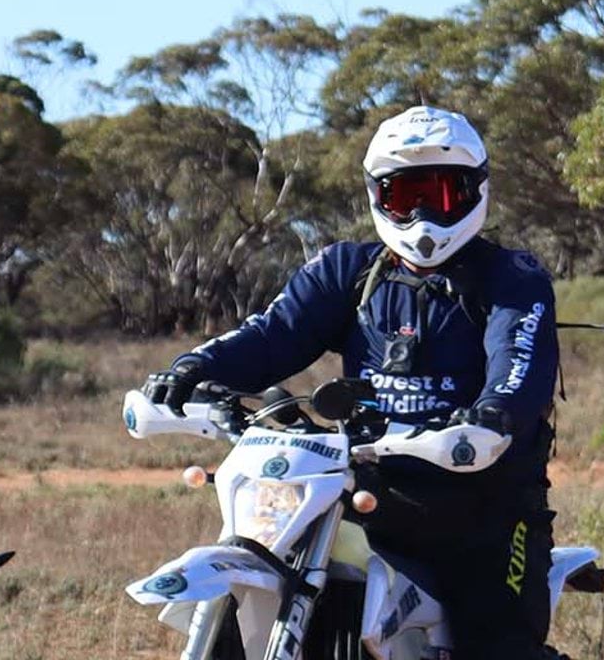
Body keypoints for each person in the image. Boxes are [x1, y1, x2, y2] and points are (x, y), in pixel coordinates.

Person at [142, 105, 566, 659]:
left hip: (485, 504)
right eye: (404, 196)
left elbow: (519, 360)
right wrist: (193, 369)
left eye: (440, 194)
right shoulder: (346, 271)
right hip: (364, 487)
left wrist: (495, 414)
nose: (422, 214)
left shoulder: (512, 278)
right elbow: (273, 336)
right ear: (377, 197)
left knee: (498, 647)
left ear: (474, 191)